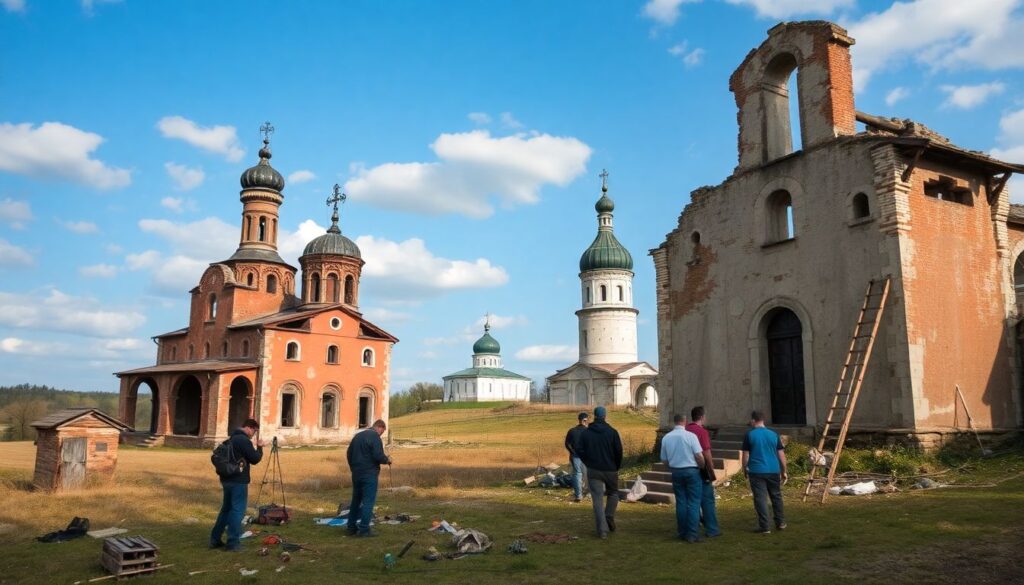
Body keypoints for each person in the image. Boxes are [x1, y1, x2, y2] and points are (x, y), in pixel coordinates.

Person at [210, 418, 264, 552]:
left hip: (226, 479)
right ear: (249, 428)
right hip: (238, 480)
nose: (254, 434)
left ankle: (215, 539)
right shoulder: (243, 440)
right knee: (237, 511)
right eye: (254, 431)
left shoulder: (232, 438)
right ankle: (233, 543)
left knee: (226, 510)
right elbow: (255, 459)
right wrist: (260, 447)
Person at [577, 405, 622, 539]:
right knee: (613, 493)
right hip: (610, 469)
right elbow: (619, 451)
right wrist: (616, 466)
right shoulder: (612, 432)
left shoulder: (586, 433)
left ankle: (602, 531)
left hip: (594, 470)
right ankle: (609, 516)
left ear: (594, 416)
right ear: (605, 416)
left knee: (597, 499)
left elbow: (579, 449)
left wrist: (587, 461)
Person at [660, 413, 706, 543]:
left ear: (674, 422)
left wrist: (672, 467)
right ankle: (692, 533)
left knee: (681, 502)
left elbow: (664, 459)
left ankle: (682, 532)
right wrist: (702, 466)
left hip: (676, 471)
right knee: (694, 502)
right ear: (685, 422)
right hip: (691, 471)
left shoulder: (666, 437)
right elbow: (699, 456)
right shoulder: (691, 436)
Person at [741, 410, 788, 534]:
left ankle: (765, 526)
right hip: (773, 469)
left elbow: (746, 455)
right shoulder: (774, 434)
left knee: (760, 498)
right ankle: (780, 522)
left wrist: (745, 469)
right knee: (776, 496)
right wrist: (784, 471)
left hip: (756, 471)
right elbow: (781, 455)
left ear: (753, 420)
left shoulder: (749, 435)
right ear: (763, 420)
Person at [345, 419, 392, 537]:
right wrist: (387, 460)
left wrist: (353, 468)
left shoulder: (357, 436)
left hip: (356, 473)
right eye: (382, 432)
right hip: (369, 474)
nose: (381, 434)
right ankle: (364, 529)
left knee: (356, 501)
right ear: (380, 427)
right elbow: (378, 455)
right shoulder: (375, 437)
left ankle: (351, 527)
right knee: (368, 501)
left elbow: (349, 453)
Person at [685, 406, 720, 538]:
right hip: (701, 468)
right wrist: (711, 469)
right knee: (707, 500)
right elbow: (706, 452)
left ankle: (693, 525)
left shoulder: (685, 430)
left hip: (686, 468)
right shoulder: (702, 432)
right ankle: (712, 529)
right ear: (701, 417)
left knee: (691, 500)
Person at [564, 412, 589, 502]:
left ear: (579, 420)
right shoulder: (589, 431)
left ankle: (578, 496)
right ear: (585, 420)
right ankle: (588, 493)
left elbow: (567, 444)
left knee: (577, 474)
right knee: (587, 475)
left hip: (575, 456)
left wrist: (572, 452)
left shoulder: (572, 431)